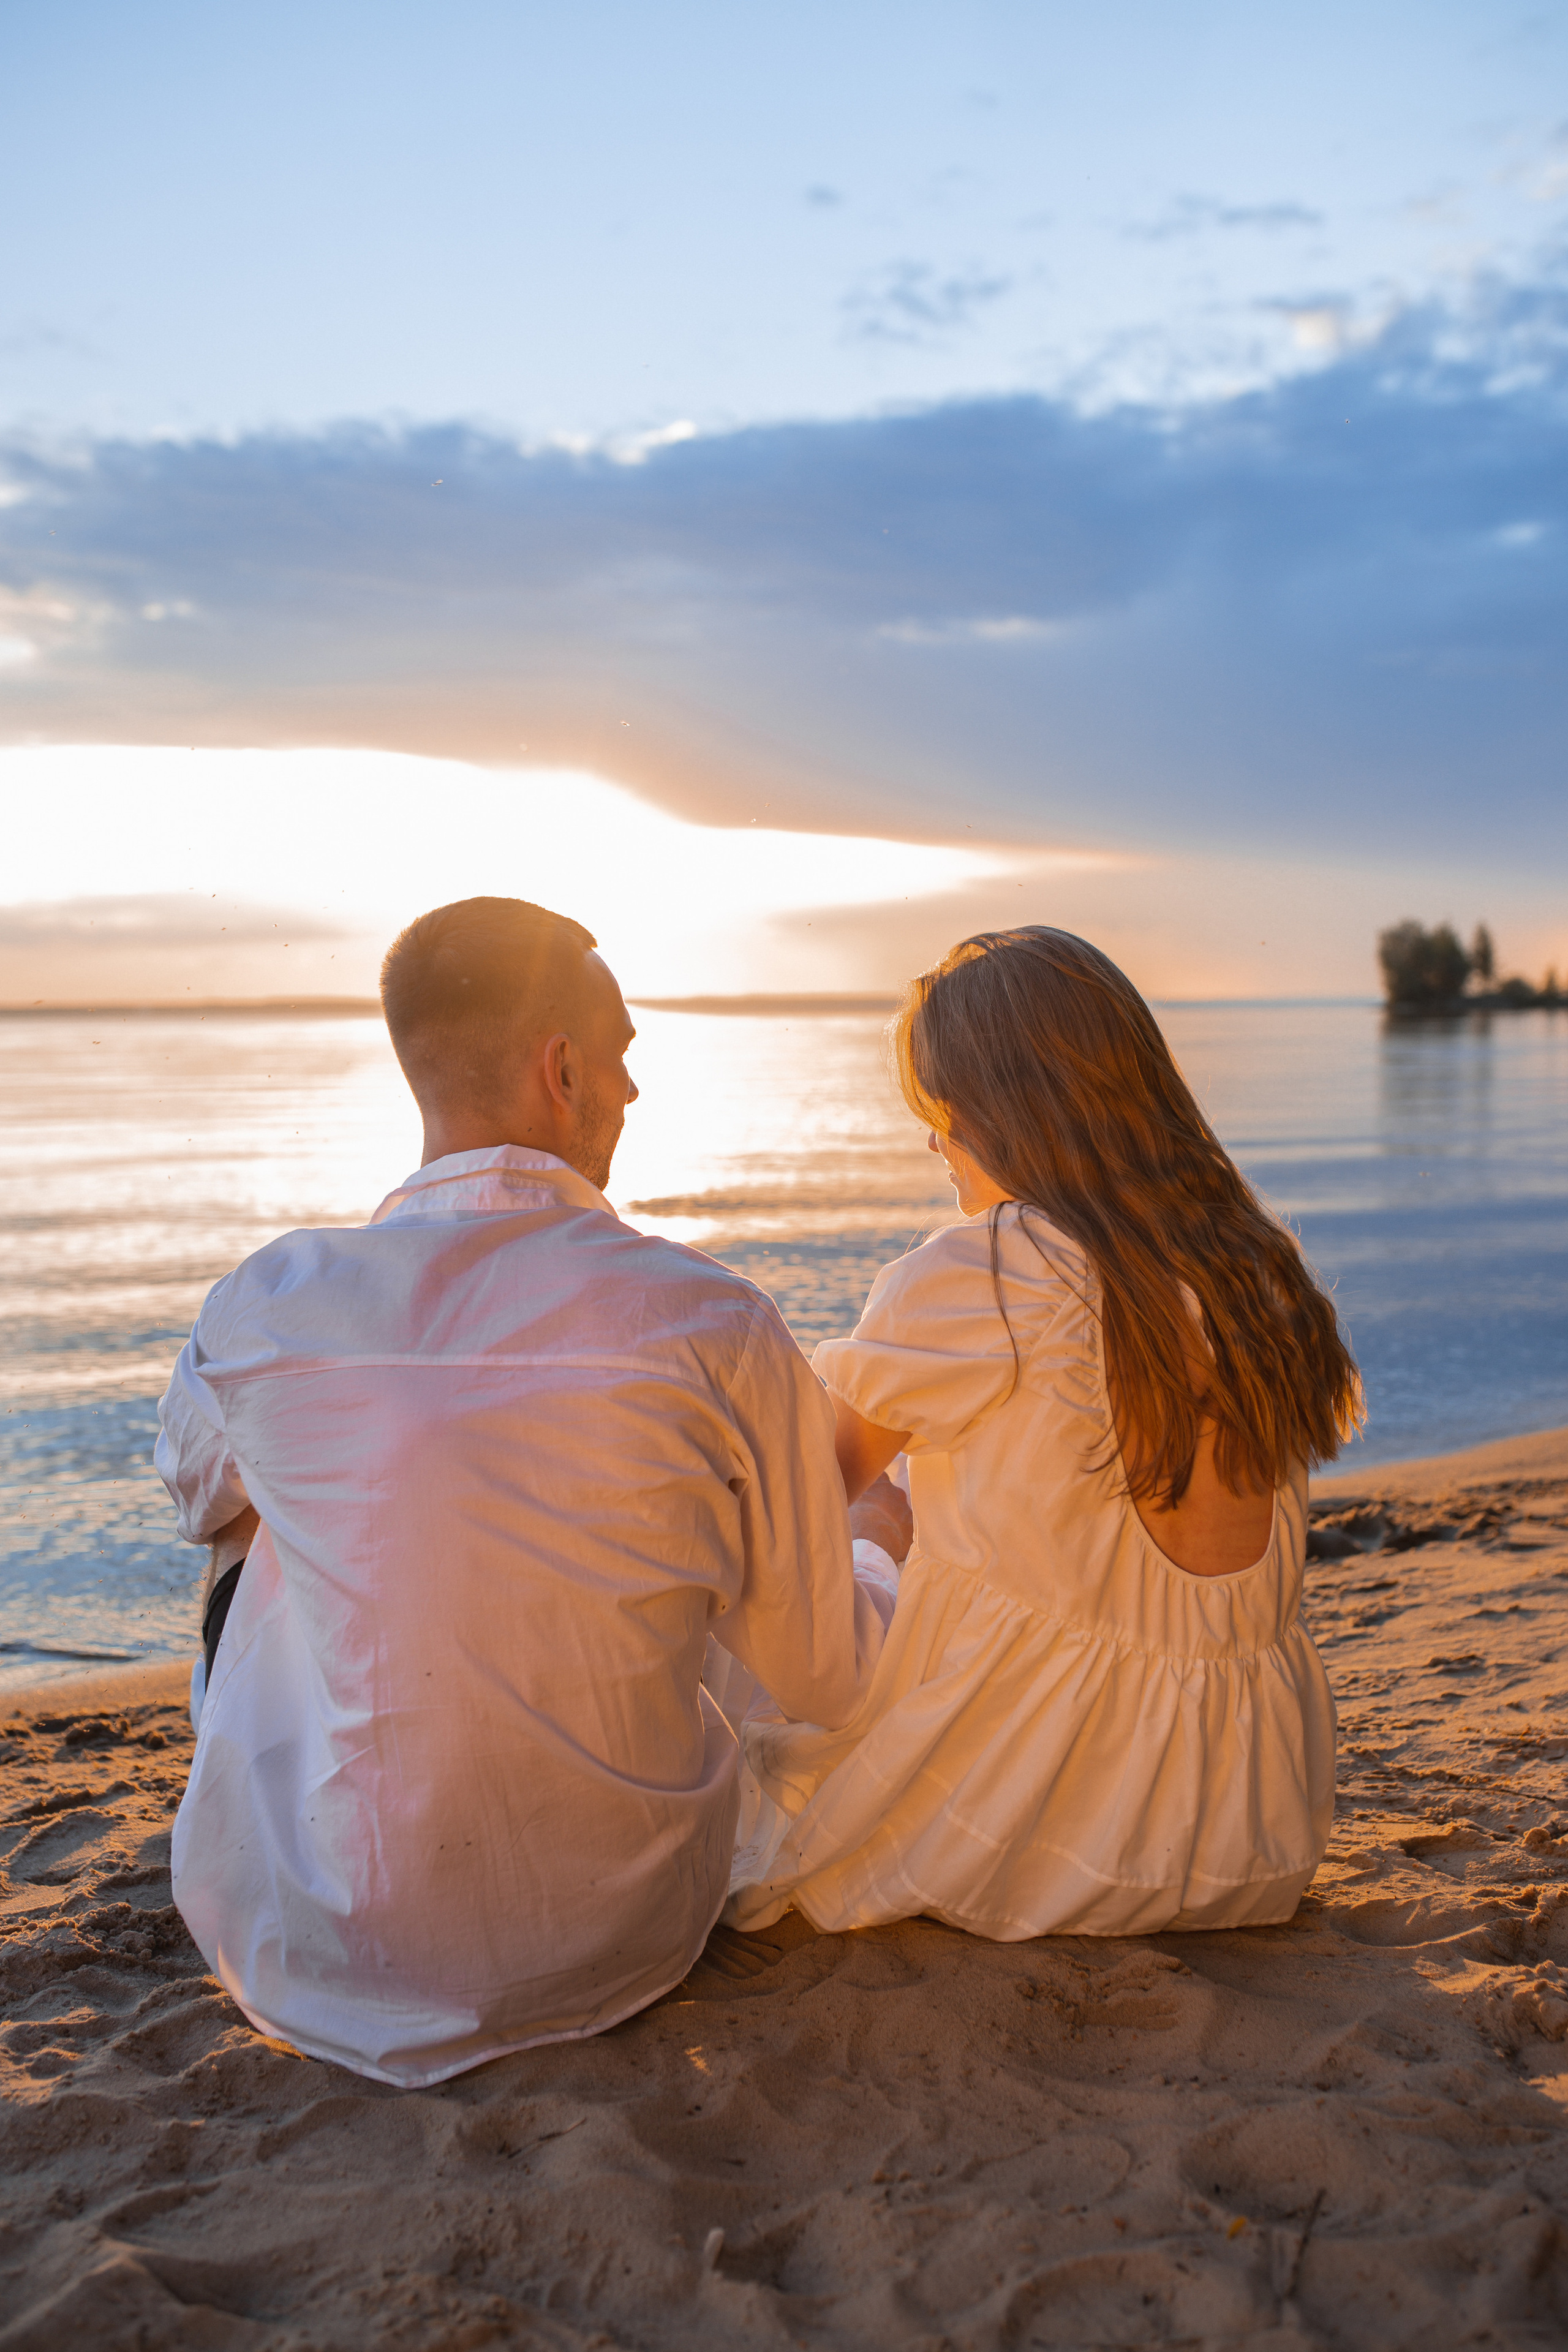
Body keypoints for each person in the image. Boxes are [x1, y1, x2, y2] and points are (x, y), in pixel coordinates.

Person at [156, 895, 897, 2088]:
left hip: (335, 1951)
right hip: (619, 1940)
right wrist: (868, 1543)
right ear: (561, 1068)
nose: (633, 1092)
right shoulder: (712, 1318)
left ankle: (374, 1839)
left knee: (256, 1507)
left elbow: (200, 1508)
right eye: (621, 1058)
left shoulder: (271, 1301)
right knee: (704, 1525)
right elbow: (820, 1679)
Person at [726, 925, 1363, 1939]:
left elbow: (796, 1495)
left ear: (995, 1110)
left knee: (835, 1548)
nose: (932, 1143)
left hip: (1050, 1822)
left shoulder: (989, 1274)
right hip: (1253, 1826)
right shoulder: (1250, 1264)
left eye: (937, 1112)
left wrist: (875, 1531)